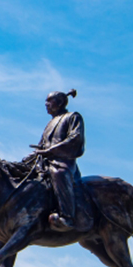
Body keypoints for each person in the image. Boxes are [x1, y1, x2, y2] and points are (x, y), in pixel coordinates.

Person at [24, 90, 84, 232]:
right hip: (44, 162)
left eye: (49, 101)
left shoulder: (73, 117)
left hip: (62, 162)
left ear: (60, 102)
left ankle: (67, 216)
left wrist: (51, 151)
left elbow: (75, 138)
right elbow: (41, 146)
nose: (46, 104)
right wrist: (32, 156)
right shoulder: (50, 124)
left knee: (59, 173)